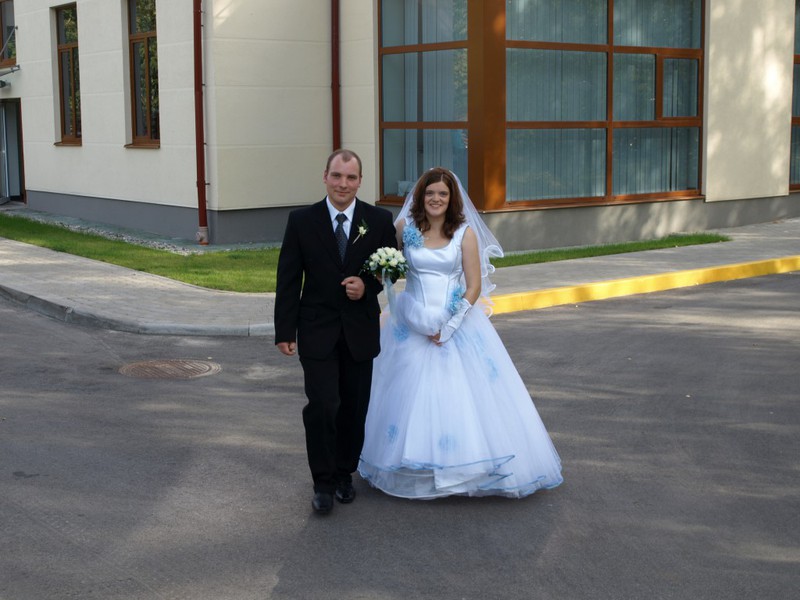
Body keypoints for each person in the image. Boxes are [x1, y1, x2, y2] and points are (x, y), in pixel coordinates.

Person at [358, 167, 563, 499]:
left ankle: (459, 471)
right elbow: (385, 263)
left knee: (456, 397)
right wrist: (383, 275)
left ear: (452, 198)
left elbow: (474, 286)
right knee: (405, 396)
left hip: (454, 323)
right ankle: (413, 466)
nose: (436, 199)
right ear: (420, 196)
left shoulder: (464, 233)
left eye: (443, 193)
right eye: (430, 193)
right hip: (410, 322)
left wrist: (449, 327)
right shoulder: (405, 227)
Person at [274, 149, 396, 514]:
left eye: (351, 177)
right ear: (325, 176)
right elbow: (288, 278)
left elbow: (389, 269)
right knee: (323, 406)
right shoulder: (301, 220)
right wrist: (284, 330)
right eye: (337, 176)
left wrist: (367, 286)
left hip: (359, 331)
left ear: (360, 181)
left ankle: (345, 473)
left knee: (354, 408)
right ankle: (323, 482)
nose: (343, 184)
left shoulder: (378, 219)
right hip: (317, 330)